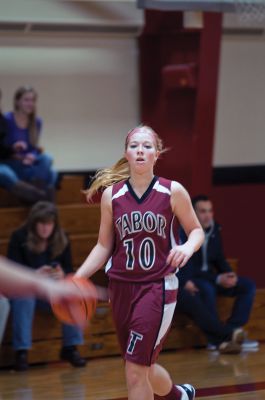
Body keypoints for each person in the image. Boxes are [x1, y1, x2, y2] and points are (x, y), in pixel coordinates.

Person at [75, 125, 205, 400]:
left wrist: (187, 247)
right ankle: (178, 396)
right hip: (121, 288)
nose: (140, 151)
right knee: (141, 366)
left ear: (157, 154)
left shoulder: (172, 191)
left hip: (156, 287)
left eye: (147, 146)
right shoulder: (113, 196)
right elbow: (103, 245)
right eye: (134, 146)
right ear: (126, 153)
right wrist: (79, 277)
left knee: (135, 370)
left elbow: (196, 230)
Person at [7, 201, 87, 371]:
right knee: (24, 296)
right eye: (41, 224)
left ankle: (70, 348)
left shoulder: (62, 238)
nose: (45, 228)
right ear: (33, 223)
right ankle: (21, 352)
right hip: (26, 290)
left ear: (54, 225)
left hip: (51, 293)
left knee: (70, 291)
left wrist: (61, 274)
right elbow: (12, 273)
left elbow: (68, 270)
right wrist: (34, 275)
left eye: (49, 224)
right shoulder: (19, 237)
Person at [178, 194, 258, 353]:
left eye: (210, 211)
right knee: (207, 288)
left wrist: (229, 273)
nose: (208, 215)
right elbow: (190, 269)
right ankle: (216, 339)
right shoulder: (183, 232)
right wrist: (217, 278)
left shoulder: (215, 229)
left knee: (247, 285)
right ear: (193, 213)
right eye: (202, 211)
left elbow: (219, 258)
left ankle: (233, 331)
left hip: (211, 277)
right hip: (195, 279)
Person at [2, 86, 57, 202]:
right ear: (17, 101)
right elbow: (2, 148)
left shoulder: (37, 122)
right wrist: (18, 154)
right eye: (26, 100)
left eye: (33, 100)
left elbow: (34, 147)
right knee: (4, 173)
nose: (30, 103)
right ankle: (41, 199)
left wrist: (32, 155)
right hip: (12, 161)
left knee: (48, 160)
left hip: (28, 164)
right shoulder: (6, 119)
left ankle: (38, 193)